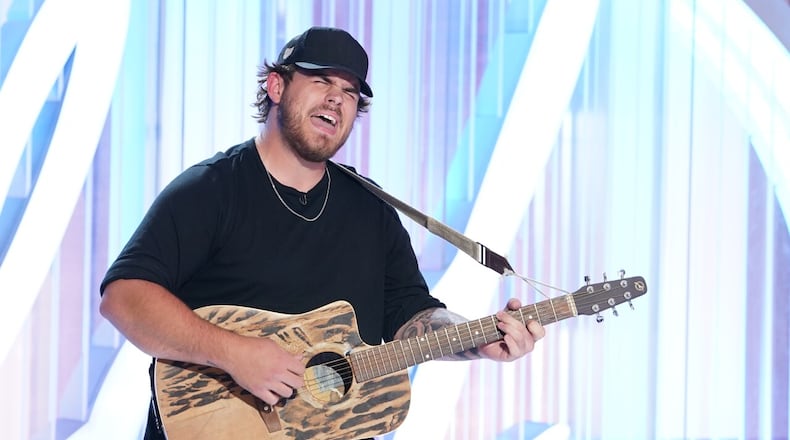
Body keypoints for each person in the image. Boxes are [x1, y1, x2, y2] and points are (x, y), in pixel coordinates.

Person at [99, 26, 545, 439]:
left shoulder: (373, 211)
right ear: (276, 86)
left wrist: (477, 340)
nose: (336, 99)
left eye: (350, 93)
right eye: (321, 81)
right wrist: (234, 353)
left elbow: (413, 316)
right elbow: (123, 298)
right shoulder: (212, 190)